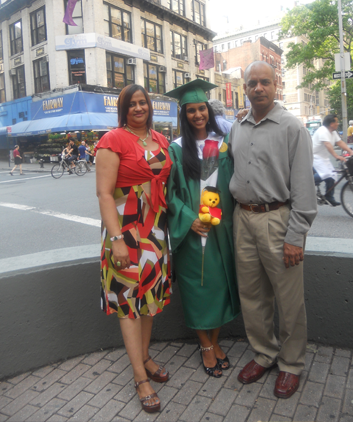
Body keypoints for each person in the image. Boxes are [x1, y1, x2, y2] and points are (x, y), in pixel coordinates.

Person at [226, 61, 317, 399]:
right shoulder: (239, 126)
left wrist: (296, 236)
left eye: (265, 82)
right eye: (252, 83)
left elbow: (305, 189)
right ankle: (264, 353)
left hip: (278, 219)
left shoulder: (292, 128)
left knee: (289, 300)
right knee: (252, 295)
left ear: (276, 84)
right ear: (244, 86)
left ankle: (291, 364)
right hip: (243, 218)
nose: (259, 88)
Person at [94, 84, 173, 414]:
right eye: (132, 105)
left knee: (150, 299)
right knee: (128, 303)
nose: (138, 108)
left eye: (143, 103)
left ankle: (145, 356)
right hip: (125, 231)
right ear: (123, 110)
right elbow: (104, 194)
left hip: (155, 231)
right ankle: (140, 377)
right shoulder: (112, 140)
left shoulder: (160, 140)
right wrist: (116, 239)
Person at [164, 80, 240, 379]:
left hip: (219, 230)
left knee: (219, 287)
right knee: (198, 288)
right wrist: (188, 219)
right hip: (191, 232)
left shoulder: (220, 144)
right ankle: (205, 346)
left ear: (208, 110)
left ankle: (215, 340)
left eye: (202, 109)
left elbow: (229, 185)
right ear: (183, 115)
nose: (198, 115)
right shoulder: (175, 149)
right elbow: (168, 195)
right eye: (191, 110)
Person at [311, 114, 353, 207]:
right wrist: (337, 156)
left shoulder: (333, 132)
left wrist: (351, 152)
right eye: (336, 121)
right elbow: (327, 144)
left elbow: (340, 142)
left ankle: (329, 197)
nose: (338, 123)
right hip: (314, 156)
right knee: (325, 173)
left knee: (333, 174)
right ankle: (307, 182)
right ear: (331, 123)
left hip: (323, 157)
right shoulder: (323, 131)